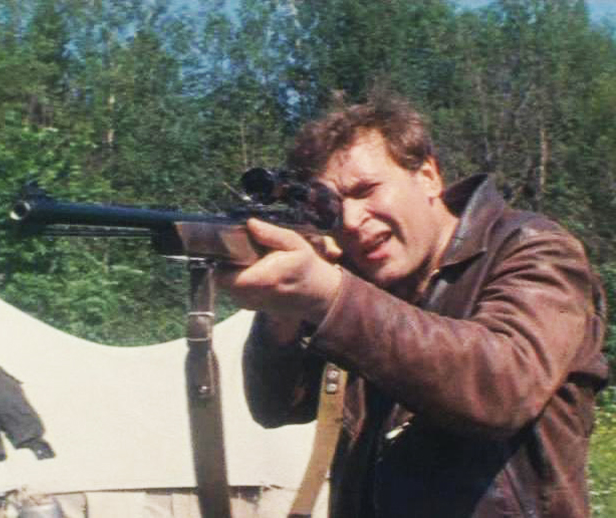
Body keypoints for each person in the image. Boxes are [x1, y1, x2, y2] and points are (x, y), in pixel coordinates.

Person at [216, 89, 609, 518]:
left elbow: (503, 388)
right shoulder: (362, 279)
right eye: (333, 207)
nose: (352, 221)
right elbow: (277, 405)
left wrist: (330, 295)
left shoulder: (535, 248)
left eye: (366, 190)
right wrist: (282, 312)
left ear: (428, 177)